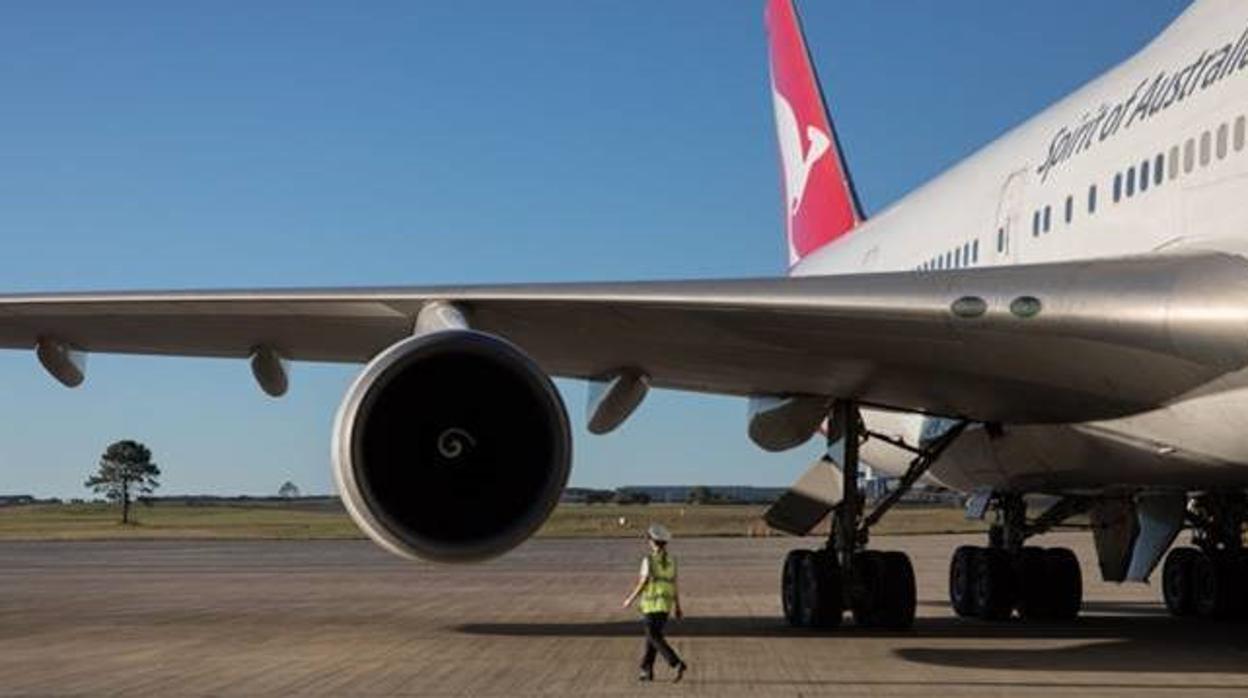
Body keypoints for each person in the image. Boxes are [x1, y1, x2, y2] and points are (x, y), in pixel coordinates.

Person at [622, 523, 688, 683]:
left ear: (652, 542)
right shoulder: (672, 560)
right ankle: (646, 670)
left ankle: (676, 662)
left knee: (652, 635)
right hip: (665, 605)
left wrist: (630, 599)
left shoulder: (648, 560)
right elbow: (674, 584)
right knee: (651, 638)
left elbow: (643, 583)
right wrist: (678, 606)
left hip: (651, 605)